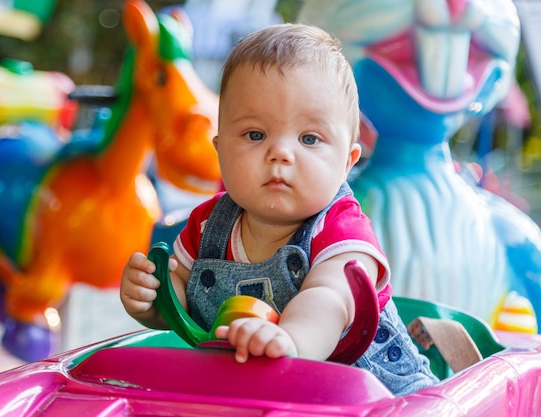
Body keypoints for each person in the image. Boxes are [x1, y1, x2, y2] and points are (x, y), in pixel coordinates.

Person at [120, 23, 438, 396]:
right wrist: (151, 299)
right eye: (255, 135)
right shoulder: (208, 225)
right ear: (220, 150)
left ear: (347, 161)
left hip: (370, 396)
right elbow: (182, 295)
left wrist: (289, 342)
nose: (280, 153)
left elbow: (330, 300)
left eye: (309, 138)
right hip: (252, 393)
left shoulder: (342, 230)